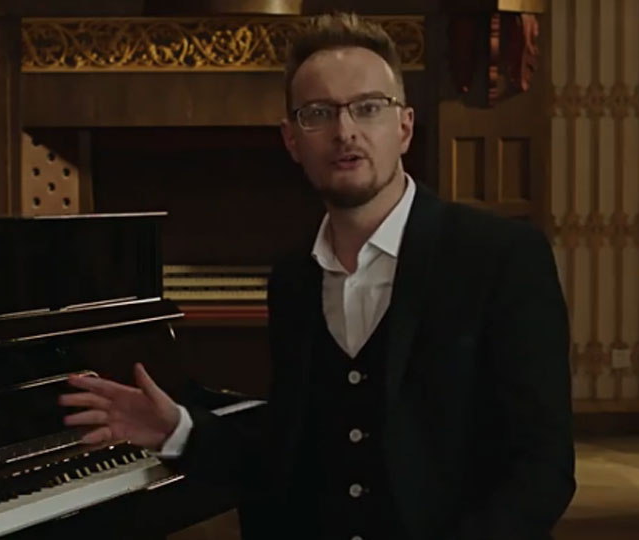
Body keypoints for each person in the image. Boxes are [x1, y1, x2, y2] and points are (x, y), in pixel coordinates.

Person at [59, 12, 575, 540]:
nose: (344, 131)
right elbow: (291, 457)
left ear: (404, 127)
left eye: (368, 108)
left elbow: (543, 469)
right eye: (318, 113)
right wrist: (178, 429)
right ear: (291, 140)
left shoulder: (501, 257)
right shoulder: (293, 279)